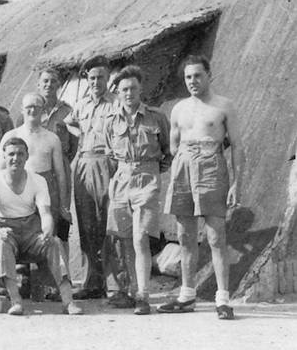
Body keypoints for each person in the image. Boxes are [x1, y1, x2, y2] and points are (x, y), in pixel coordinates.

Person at [157, 55, 243, 320]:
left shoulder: (223, 106)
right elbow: (173, 145)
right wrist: (187, 157)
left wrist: (236, 183)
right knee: (185, 235)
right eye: (188, 77)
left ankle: (223, 299)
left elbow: (237, 145)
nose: (192, 81)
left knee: (216, 236)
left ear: (209, 75)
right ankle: (187, 295)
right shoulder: (179, 109)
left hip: (211, 167)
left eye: (197, 75)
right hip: (183, 167)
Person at [0, 137, 83, 315]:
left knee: (55, 243)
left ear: (27, 156)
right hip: (6, 228)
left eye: (20, 154)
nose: (16, 158)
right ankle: (16, 301)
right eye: (11, 154)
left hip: (31, 229)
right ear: (4, 157)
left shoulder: (37, 180)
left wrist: (47, 230)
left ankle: (68, 302)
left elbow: (45, 213)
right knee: (1, 244)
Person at [104, 65, 171, 315]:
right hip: (121, 181)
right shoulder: (111, 121)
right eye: (124, 89)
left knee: (141, 237)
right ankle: (133, 289)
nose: (129, 93)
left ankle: (143, 294)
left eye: (133, 88)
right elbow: (110, 152)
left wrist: (152, 172)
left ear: (140, 89)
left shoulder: (156, 117)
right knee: (124, 239)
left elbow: (167, 151)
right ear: (118, 93)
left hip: (147, 179)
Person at [64, 55, 116, 299]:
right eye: (92, 78)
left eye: (100, 77)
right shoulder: (82, 105)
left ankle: (114, 284)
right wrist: (81, 133)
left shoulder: (116, 103)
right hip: (84, 162)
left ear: (108, 78)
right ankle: (91, 281)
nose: (96, 82)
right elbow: (69, 123)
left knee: (108, 222)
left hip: (106, 162)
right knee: (87, 224)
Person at [0, 93, 70, 248]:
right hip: (19, 188)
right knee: (20, 234)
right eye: (28, 107)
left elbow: (60, 174)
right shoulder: (11, 136)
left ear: (43, 109)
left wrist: (63, 204)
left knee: (48, 235)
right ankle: (23, 271)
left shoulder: (51, 138)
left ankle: (50, 271)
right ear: (22, 109)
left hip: (47, 188)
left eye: (37, 107)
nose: (32, 110)